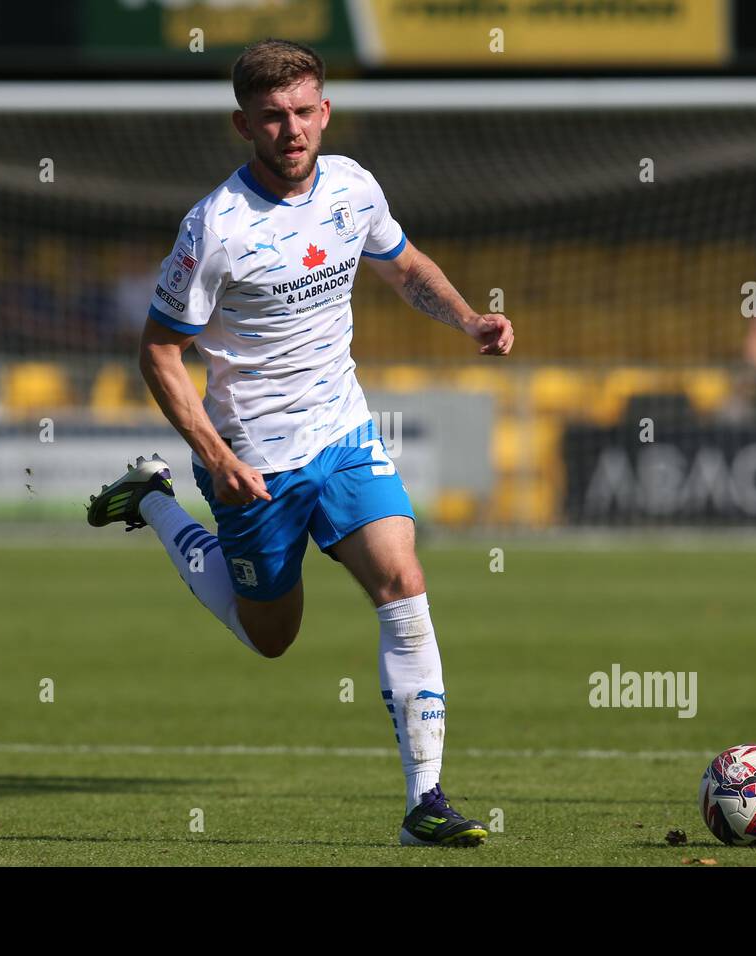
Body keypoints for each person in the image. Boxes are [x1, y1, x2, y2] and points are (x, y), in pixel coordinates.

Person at [86, 39, 514, 847]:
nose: (292, 130)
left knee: (404, 582)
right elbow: (157, 350)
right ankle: (152, 499)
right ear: (243, 124)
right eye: (273, 117)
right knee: (270, 638)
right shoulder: (215, 228)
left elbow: (404, 264)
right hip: (252, 460)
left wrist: (469, 319)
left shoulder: (353, 187)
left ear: (326, 112)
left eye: (305, 111)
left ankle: (427, 803)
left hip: (344, 434)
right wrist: (215, 457)